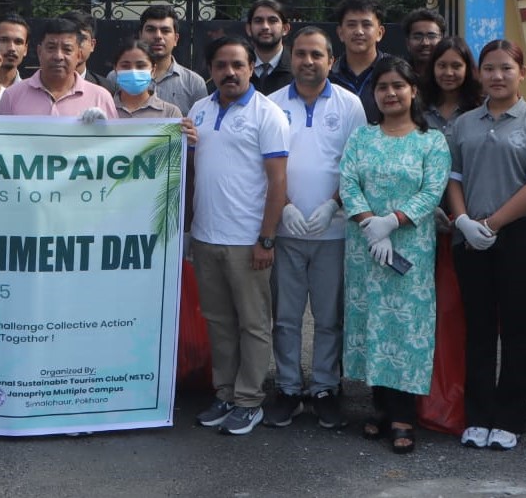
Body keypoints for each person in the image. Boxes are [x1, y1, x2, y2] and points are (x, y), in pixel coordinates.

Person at [442, 39, 526, 450]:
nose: (497, 75)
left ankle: (510, 417)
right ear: (479, 73)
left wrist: (493, 224)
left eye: (506, 68)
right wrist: (463, 221)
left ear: (521, 73)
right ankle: (478, 415)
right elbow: (453, 177)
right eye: (489, 68)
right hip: (470, 236)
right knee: (477, 328)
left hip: (520, 236)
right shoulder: (465, 123)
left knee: (518, 327)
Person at [339, 56, 450, 454]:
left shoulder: (431, 141)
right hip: (365, 246)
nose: (390, 93)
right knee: (373, 323)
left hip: (410, 248)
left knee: (404, 328)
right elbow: (348, 182)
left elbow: (432, 190)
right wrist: (371, 223)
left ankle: (404, 414)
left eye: (398, 86)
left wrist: (393, 221)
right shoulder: (362, 137)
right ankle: (381, 407)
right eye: (383, 87)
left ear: (413, 90)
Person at [264, 27, 366, 430]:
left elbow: (357, 165)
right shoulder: (271, 104)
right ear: (291, 59)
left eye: (316, 55)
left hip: (334, 230)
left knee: (328, 317)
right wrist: (284, 207)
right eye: (301, 54)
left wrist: (333, 204)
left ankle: (325, 387)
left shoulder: (350, 104)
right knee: (286, 317)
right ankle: (288, 387)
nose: (308, 61)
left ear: (331, 60)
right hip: (286, 231)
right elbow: (263, 165)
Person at [186, 36, 290, 436]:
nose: (229, 72)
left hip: (247, 240)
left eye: (237, 65)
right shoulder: (199, 109)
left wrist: (266, 239)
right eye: (221, 65)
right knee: (218, 322)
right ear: (210, 70)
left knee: (253, 323)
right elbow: (193, 170)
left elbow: (278, 182)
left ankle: (249, 400)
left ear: (250, 68)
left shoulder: (268, 114)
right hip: (206, 236)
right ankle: (225, 393)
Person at [0, 18, 116, 119]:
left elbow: (113, 139)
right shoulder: (12, 96)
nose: (58, 56)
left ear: (79, 55)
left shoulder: (100, 98)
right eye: (51, 48)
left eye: (67, 49)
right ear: (39, 52)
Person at [137, 5, 208, 113]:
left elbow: (202, 121)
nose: (158, 36)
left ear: (175, 39)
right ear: (140, 36)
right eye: (151, 30)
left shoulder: (194, 83)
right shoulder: (118, 79)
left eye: (165, 30)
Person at [329, 0, 389, 123]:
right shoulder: (329, 75)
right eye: (351, 25)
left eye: (366, 25)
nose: (359, 31)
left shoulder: (395, 74)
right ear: (340, 33)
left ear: (380, 33)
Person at [421, 37, 481, 132]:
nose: (449, 73)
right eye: (442, 66)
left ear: (467, 69)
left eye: (456, 66)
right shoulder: (419, 107)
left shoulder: (480, 108)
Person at [110, 40, 182, 119]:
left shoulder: (170, 113)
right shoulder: (103, 109)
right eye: (125, 66)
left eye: (140, 66)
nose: (133, 71)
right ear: (115, 69)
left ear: (153, 70)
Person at [247, 0, 293, 96]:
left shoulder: (297, 68)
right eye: (258, 21)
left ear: (285, 28)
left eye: (272, 21)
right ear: (249, 29)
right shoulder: (237, 68)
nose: (265, 27)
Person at [61, 10, 109, 88]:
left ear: (92, 45)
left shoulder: (107, 89)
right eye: (69, 37)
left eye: (82, 38)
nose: (75, 44)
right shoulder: (40, 85)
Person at [402, 8, 447, 82]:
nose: (425, 43)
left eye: (431, 36)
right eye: (417, 37)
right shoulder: (398, 75)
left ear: (442, 40)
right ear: (407, 42)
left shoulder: (450, 76)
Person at [0, 14, 30, 89]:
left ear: (25, 49)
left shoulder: (30, 93)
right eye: (4, 40)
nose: (11, 48)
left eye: (18, 42)